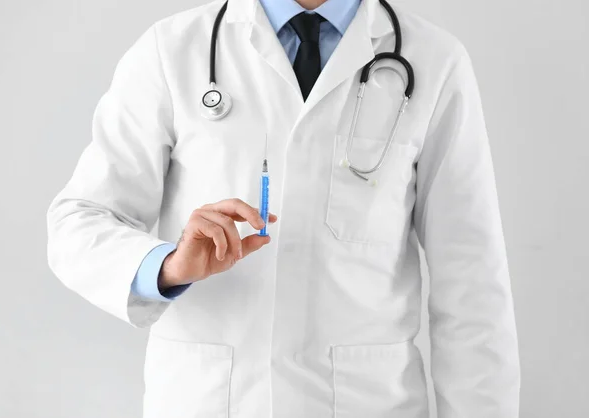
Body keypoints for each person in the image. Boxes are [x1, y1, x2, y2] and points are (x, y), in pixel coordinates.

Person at [46, 0, 520, 416]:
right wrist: (166, 266)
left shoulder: (433, 59)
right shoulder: (172, 51)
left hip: (368, 402)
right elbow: (79, 221)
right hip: (211, 399)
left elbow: (472, 283)